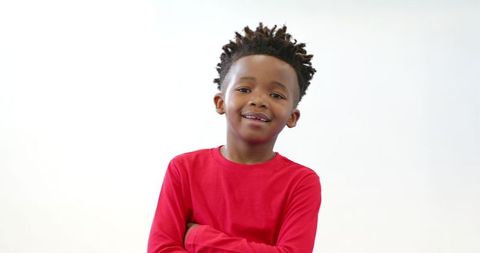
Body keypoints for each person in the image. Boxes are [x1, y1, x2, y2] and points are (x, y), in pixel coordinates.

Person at [148, 23, 321, 252]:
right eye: (244, 89)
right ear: (220, 102)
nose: (259, 100)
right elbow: (161, 249)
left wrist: (199, 238)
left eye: (276, 94)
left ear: (293, 116)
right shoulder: (183, 169)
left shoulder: (301, 183)